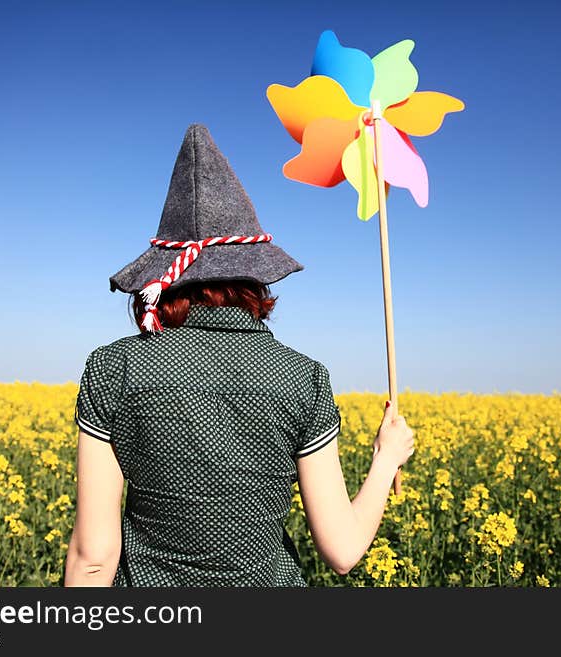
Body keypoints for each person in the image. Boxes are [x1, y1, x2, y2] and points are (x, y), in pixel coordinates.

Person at [64, 124, 414, 586]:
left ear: (163, 278)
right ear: (254, 279)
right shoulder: (301, 378)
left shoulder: (114, 370)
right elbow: (343, 551)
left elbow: (93, 557)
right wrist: (386, 458)